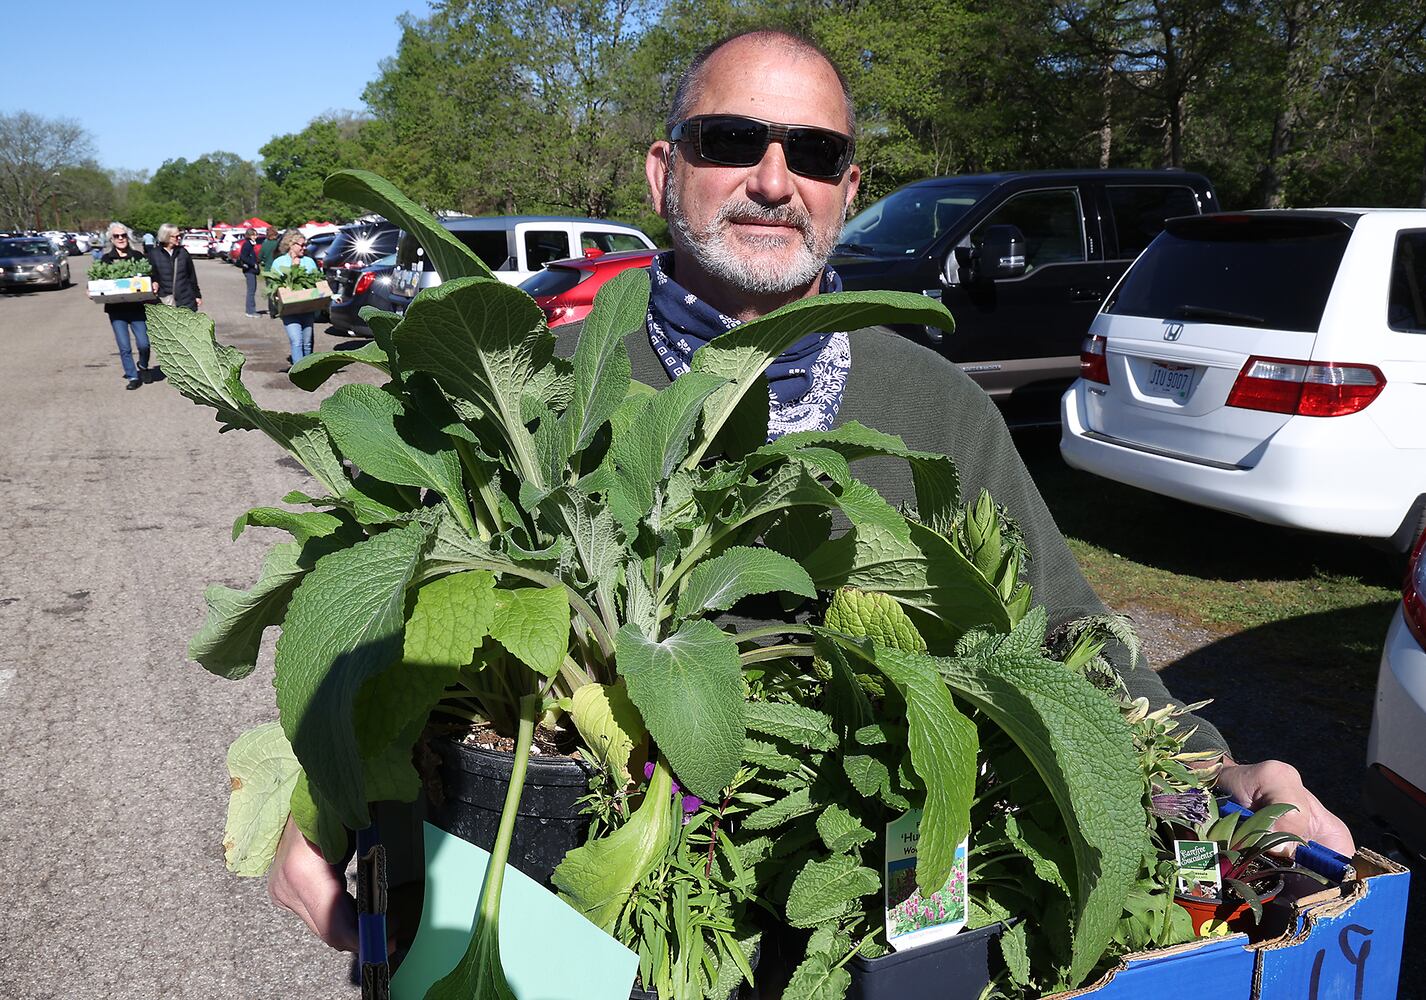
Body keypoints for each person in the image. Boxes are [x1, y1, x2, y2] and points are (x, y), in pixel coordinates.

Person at [267, 28, 1353, 953]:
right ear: (660, 172)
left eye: (815, 154)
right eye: (730, 142)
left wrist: (1221, 764)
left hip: (864, 909)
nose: (773, 180)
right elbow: (388, 620)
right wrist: (318, 789)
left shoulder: (930, 405)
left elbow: (1066, 629)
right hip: (597, 907)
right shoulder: (542, 387)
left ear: (848, 192)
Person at [98, 222, 155, 390]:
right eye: (117, 236)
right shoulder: (106, 260)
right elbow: (97, 280)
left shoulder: (138, 257)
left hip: (137, 308)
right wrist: (91, 289)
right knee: (124, 346)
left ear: (127, 237)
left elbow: (150, 275)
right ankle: (132, 376)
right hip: (116, 310)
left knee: (144, 344)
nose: (121, 239)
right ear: (112, 239)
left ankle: (143, 366)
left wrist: (154, 283)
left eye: (123, 235)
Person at [269, 231, 319, 364]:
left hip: (307, 308)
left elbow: (319, 282)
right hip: (289, 310)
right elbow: (274, 285)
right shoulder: (279, 263)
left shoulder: (309, 262)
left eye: (305, 245)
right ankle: (299, 371)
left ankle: (309, 367)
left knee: (307, 343)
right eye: (302, 245)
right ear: (291, 244)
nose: (304, 248)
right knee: (297, 341)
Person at [148, 223, 202, 310]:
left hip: (186, 300)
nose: (179, 238)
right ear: (166, 237)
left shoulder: (183, 252)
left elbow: (191, 276)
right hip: (165, 301)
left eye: (179, 235)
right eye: (176, 236)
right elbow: (151, 275)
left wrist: (197, 295)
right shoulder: (154, 254)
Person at [237, 227, 261, 318]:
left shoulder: (250, 245)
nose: (255, 236)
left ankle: (250, 310)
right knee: (251, 290)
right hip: (249, 270)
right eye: (254, 235)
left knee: (252, 290)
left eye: (256, 235)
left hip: (251, 270)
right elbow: (243, 257)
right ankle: (250, 311)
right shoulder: (247, 245)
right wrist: (253, 264)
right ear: (249, 236)